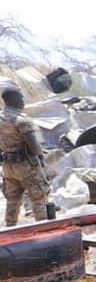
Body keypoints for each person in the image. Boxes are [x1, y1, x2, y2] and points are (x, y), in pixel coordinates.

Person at [1, 87, 49, 226]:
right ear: (14, 100)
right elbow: (34, 146)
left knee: (12, 200)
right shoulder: (22, 120)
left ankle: (10, 230)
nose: (23, 101)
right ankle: (45, 230)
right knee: (39, 198)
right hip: (26, 166)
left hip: (8, 167)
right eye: (21, 98)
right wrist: (41, 158)